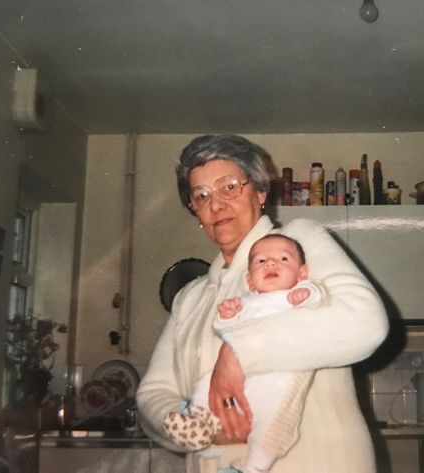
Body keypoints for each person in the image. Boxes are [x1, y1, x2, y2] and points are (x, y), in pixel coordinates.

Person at [136, 134, 389, 473]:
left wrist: (239, 351)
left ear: (259, 192)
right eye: (201, 195)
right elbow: (154, 392)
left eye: (229, 187)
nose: (216, 204)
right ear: (195, 210)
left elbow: (364, 322)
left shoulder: (297, 245)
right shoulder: (191, 298)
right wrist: (193, 432)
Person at [163, 234, 327, 473]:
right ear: (250, 281)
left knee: (272, 427)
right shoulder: (247, 301)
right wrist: (227, 314)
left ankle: (252, 468)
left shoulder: (296, 294)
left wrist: (307, 293)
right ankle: (198, 421)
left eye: (283, 258)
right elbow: (222, 327)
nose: (271, 264)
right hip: (238, 381)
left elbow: (319, 295)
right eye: (261, 261)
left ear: (302, 273)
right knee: (206, 384)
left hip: (278, 382)